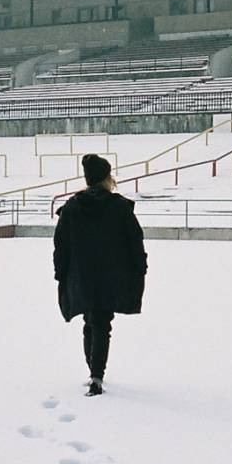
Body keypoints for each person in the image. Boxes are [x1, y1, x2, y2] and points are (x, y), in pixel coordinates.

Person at [53, 154, 147, 396]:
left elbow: (60, 244)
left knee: (90, 322)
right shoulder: (119, 207)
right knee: (102, 324)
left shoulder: (73, 207)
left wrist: (61, 272)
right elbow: (135, 239)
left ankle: (93, 372)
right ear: (106, 178)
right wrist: (140, 266)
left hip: (82, 276)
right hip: (110, 275)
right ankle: (96, 375)